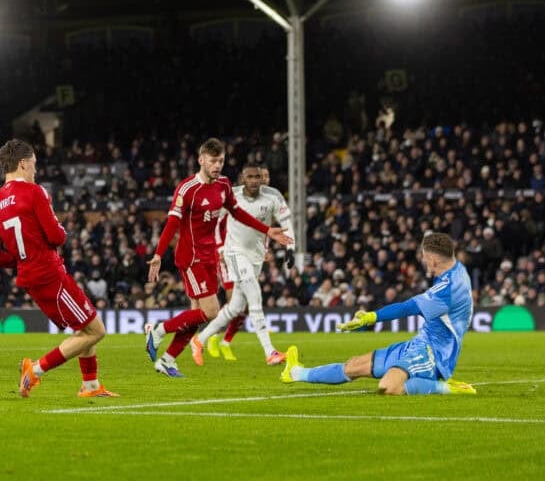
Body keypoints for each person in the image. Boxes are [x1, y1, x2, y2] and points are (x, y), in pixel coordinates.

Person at [144, 138, 293, 377]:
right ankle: (158, 331)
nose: (217, 166)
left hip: (210, 256)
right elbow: (172, 223)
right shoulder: (187, 189)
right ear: (201, 160)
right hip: (191, 257)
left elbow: (237, 212)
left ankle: (167, 360)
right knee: (211, 311)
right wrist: (159, 254)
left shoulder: (223, 185)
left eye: (221, 161)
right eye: (213, 161)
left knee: (195, 315)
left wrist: (267, 230)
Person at [0, 139, 118, 398]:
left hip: (31, 277)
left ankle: (90, 385)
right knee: (97, 330)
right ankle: (35, 369)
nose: (35, 169)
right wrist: (61, 230)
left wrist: (20, 260)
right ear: (22, 163)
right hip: (49, 273)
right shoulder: (35, 192)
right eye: (34, 164)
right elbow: (56, 237)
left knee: (84, 326)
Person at [281, 232, 477, 396]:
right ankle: (295, 372)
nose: (424, 262)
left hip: (433, 354)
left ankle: (446, 388)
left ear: (433, 260)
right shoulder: (457, 269)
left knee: (389, 386)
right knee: (354, 365)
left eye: (425, 258)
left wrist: (370, 317)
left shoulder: (449, 288)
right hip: (418, 344)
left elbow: (408, 307)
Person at [191, 162, 295, 366]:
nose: (254, 181)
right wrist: (218, 248)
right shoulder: (232, 196)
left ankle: (199, 340)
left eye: (258, 177)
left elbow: (286, 223)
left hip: (256, 256)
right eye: (250, 177)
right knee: (255, 300)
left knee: (235, 307)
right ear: (242, 179)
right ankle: (270, 352)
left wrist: (291, 248)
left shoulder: (273, 196)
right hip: (234, 253)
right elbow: (211, 221)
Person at [207, 163, 274, 360]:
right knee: (236, 301)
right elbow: (217, 222)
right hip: (229, 254)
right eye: (263, 176)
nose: (265, 179)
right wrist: (219, 248)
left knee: (242, 304)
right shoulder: (235, 198)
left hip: (249, 255)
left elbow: (263, 228)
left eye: (266, 176)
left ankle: (224, 341)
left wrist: (264, 249)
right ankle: (214, 337)